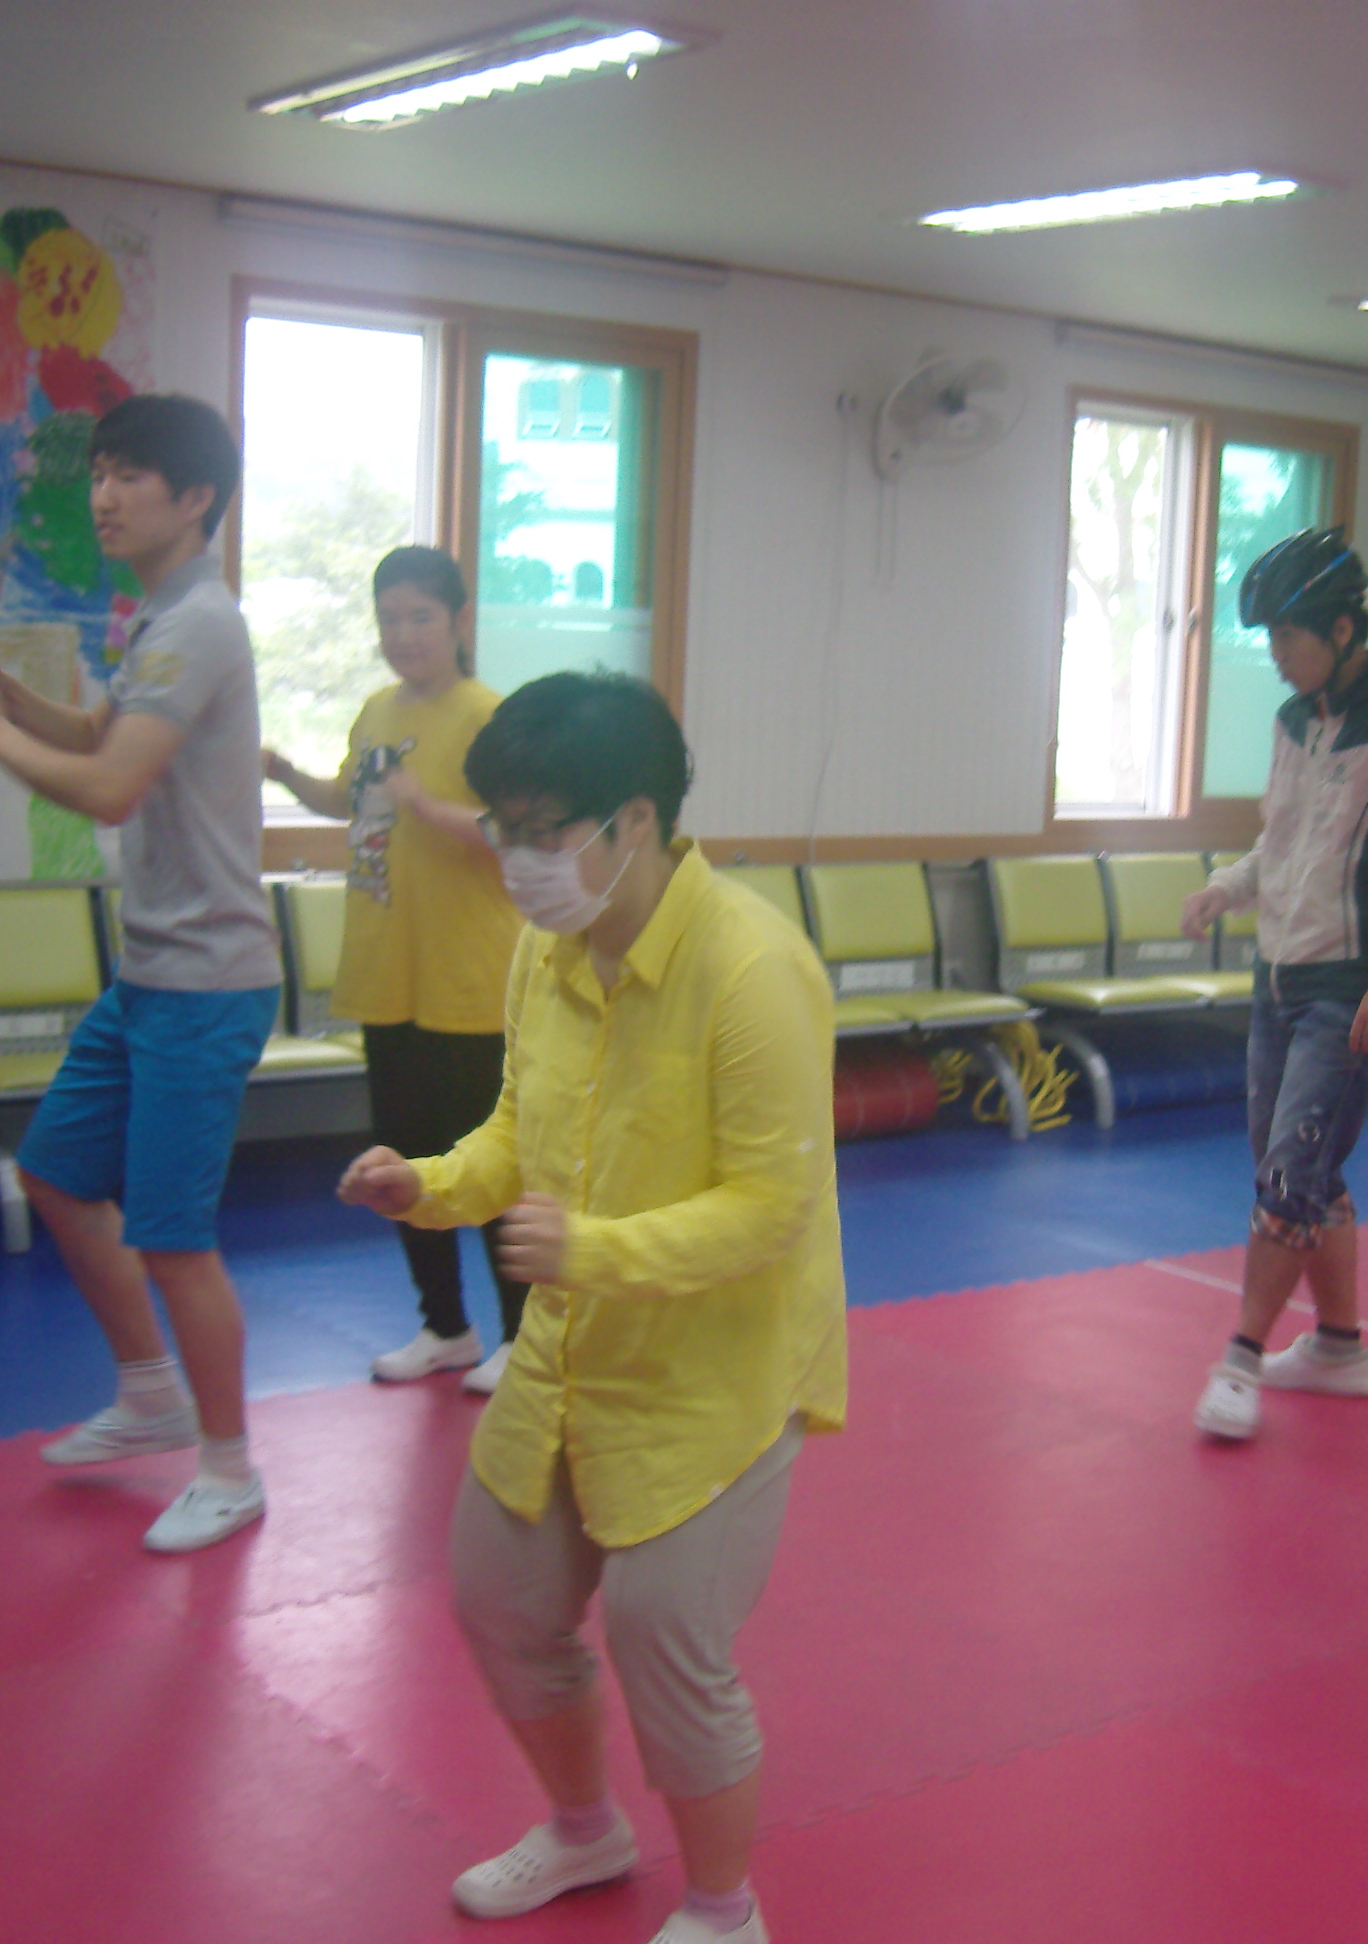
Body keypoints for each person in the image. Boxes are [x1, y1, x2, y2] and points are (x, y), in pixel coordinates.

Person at [336, 671, 845, 1944]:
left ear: (635, 822)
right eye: (500, 827)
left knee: (662, 1628)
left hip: (718, 1369)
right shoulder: (546, 954)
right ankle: (583, 1830)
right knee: (497, 1596)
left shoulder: (753, 968)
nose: (514, 859)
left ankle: (723, 1910)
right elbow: (519, 1133)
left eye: (540, 830)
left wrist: (591, 1250)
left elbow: (771, 1207)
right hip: (573, 1353)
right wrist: (428, 1185)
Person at [0, 392, 282, 1555]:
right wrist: (7, 691)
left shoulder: (199, 624)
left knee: (173, 1236)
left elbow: (110, 790)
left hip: (209, 983)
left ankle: (230, 1471)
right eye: (101, 473)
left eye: (131, 475)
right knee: (56, 1174)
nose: (104, 495)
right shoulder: (160, 615)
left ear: (197, 498)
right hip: (151, 977)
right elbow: (100, 738)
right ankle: (148, 1393)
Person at [1179, 528, 1368, 1441]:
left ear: (1343, 631)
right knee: (1303, 1169)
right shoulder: (1294, 721)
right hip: (1281, 974)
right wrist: (1228, 886)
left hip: (1352, 986)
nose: (1274, 653)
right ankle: (1340, 1349)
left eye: (1286, 636)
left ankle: (1239, 1360)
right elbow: (1286, 840)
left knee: (1289, 1175)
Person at [263, 547, 529, 1390]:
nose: (403, 634)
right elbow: (346, 798)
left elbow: (517, 832)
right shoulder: (376, 710)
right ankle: (444, 1326)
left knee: (488, 1162)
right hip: (389, 970)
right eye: (389, 618)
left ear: (459, 621)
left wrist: (426, 805)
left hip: (470, 976)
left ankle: (522, 1338)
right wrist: (284, 773)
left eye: (421, 616)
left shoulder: (489, 715)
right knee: (402, 1159)